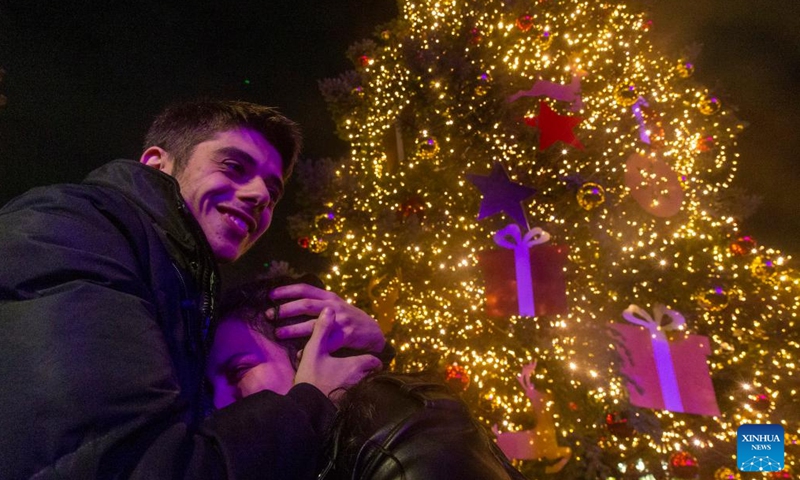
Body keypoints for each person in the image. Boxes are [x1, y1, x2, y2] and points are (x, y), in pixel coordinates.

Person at [0, 100, 386, 479]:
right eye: (234, 167)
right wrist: (309, 405)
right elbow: (132, 463)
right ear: (157, 163)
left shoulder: (176, 291)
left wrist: (370, 348)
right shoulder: (73, 230)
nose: (260, 197)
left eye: (274, 191)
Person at [207, 275, 527, 480]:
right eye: (209, 387)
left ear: (309, 348)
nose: (219, 401)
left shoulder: (401, 427)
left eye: (238, 371)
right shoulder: (300, 449)